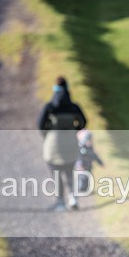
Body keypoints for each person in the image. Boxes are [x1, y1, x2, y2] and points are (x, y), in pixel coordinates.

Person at [38, 77, 86, 211]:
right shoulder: (74, 107)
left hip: (54, 143)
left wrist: (48, 135)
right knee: (70, 170)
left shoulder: (50, 107)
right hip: (70, 141)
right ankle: (73, 198)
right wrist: (73, 130)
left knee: (56, 172)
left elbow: (40, 124)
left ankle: (60, 202)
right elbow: (83, 122)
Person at [74, 129, 104, 195]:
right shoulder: (81, 148)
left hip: (89, 166)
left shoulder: (90, 148)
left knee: (89, 178)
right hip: (82, 167)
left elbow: (94, 156)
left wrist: (100, 163)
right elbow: (79, 158)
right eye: (89, 140)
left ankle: (87, 190)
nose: (91, 142)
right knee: (82, 178)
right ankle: (80, 189)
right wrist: (80, 165)